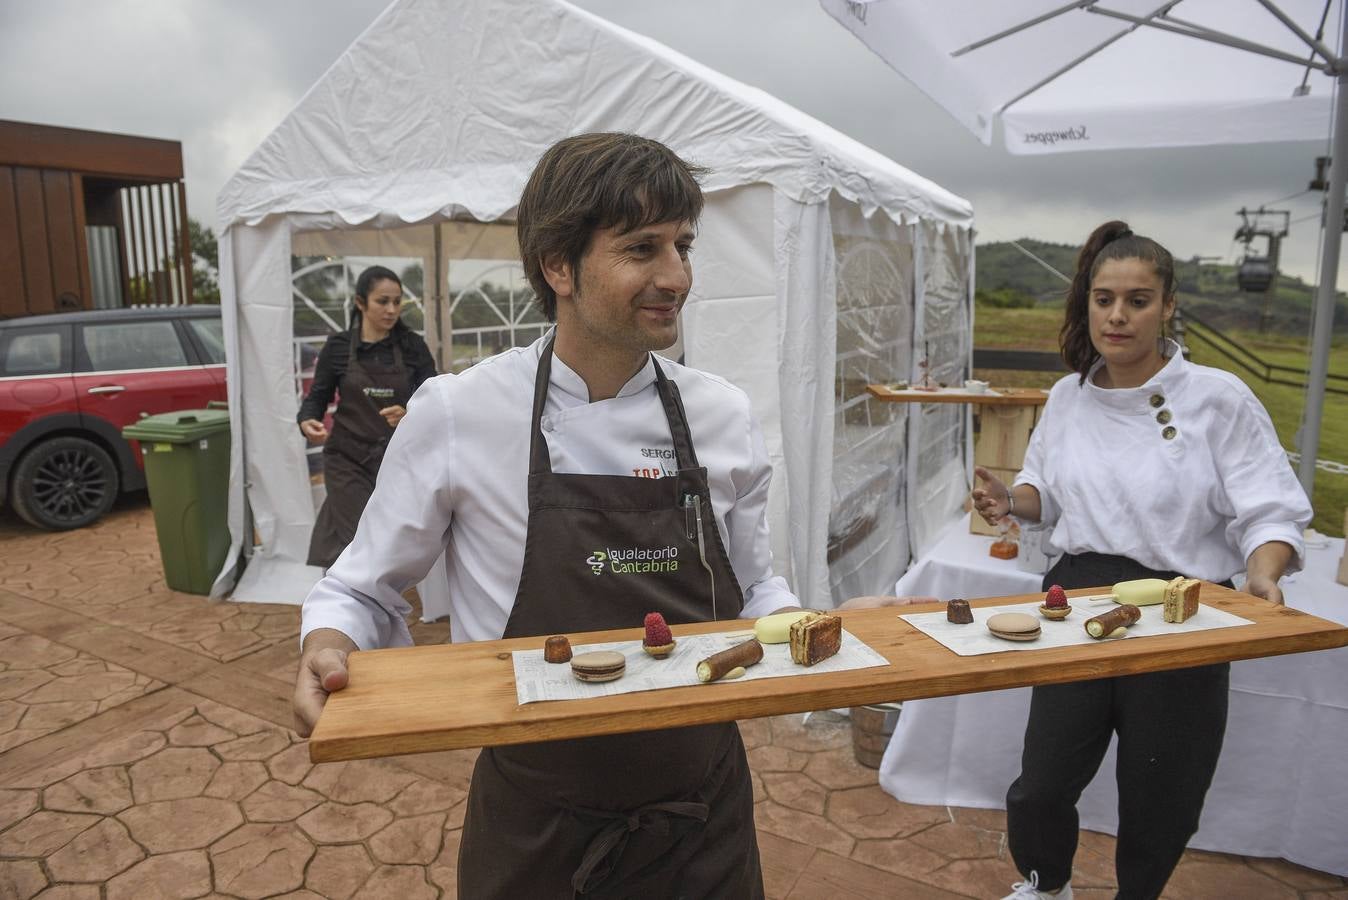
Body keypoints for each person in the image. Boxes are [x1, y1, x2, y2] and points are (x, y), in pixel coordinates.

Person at [293, 133, 925, 898]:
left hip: (700, 817)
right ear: (558, 265)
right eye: (642, 249)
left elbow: (755, 591)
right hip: (538, 823)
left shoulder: (720, 416)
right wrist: (328, 640)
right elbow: (361, 587)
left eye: (684, 246)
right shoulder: (461, 412)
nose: (676, 276)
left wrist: (825, 631)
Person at [972, 220, 1312, 900]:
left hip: (1185, 605)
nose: (1118, 316)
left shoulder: (1218, 399)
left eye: (1137, 299)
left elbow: (1270, 507)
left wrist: (1263, 573)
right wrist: (1013, 497)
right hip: (1077, 597)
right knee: (1042, 780)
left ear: (1169, 306)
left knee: (1164, 787)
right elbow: (1048, 492)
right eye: (1104, 299)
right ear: (1087, 304)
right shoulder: (1069, 396)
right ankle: (1046, 886)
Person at [297, 265, 436, 568]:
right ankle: (356, 609)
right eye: (382, 301)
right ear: (361, 303)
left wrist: (410, 413)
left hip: (397, 460)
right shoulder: (337, 348)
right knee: (361, 539)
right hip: (347, 457)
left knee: (389, 540)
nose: (391, 310)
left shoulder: (412, 346)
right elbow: (317, 397)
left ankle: (346, 596)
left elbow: (435, 398)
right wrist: (307, 421)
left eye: (397, 302)